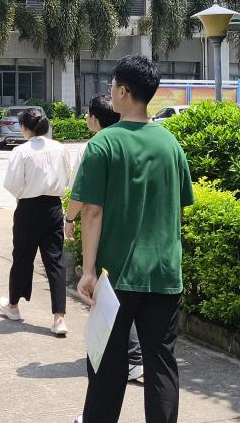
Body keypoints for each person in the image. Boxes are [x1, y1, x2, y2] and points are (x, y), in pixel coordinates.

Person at [74, 56, 194, 423]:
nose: (110, 91)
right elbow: (178, 209)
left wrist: (88, 270)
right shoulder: (171, 144)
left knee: (107, 366)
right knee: (161, 364)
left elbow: (92, 212)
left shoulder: (103, 144)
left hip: (116, 276)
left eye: (112, 86)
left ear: (124, 91)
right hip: (164, 273)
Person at [65, 94, 145, 385]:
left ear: (96, 119)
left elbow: (84, 197)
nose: (86, 118)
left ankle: (130, 359)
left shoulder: (98, 146)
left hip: (107, 236)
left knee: (110, 298)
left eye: (88, 114)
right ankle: (133, 358)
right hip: (138, 235)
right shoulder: (137, 140)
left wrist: (69, 218)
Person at [0, 107, 71, 336]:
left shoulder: (21, 151)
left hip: (28, 208)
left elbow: (11, 183)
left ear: (24, 127)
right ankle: (59, 318)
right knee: (55, 261)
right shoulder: (60, 148)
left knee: (22, 257)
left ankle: (13, 306)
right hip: (53, 207)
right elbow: (68, 178)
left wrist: (24, 193)